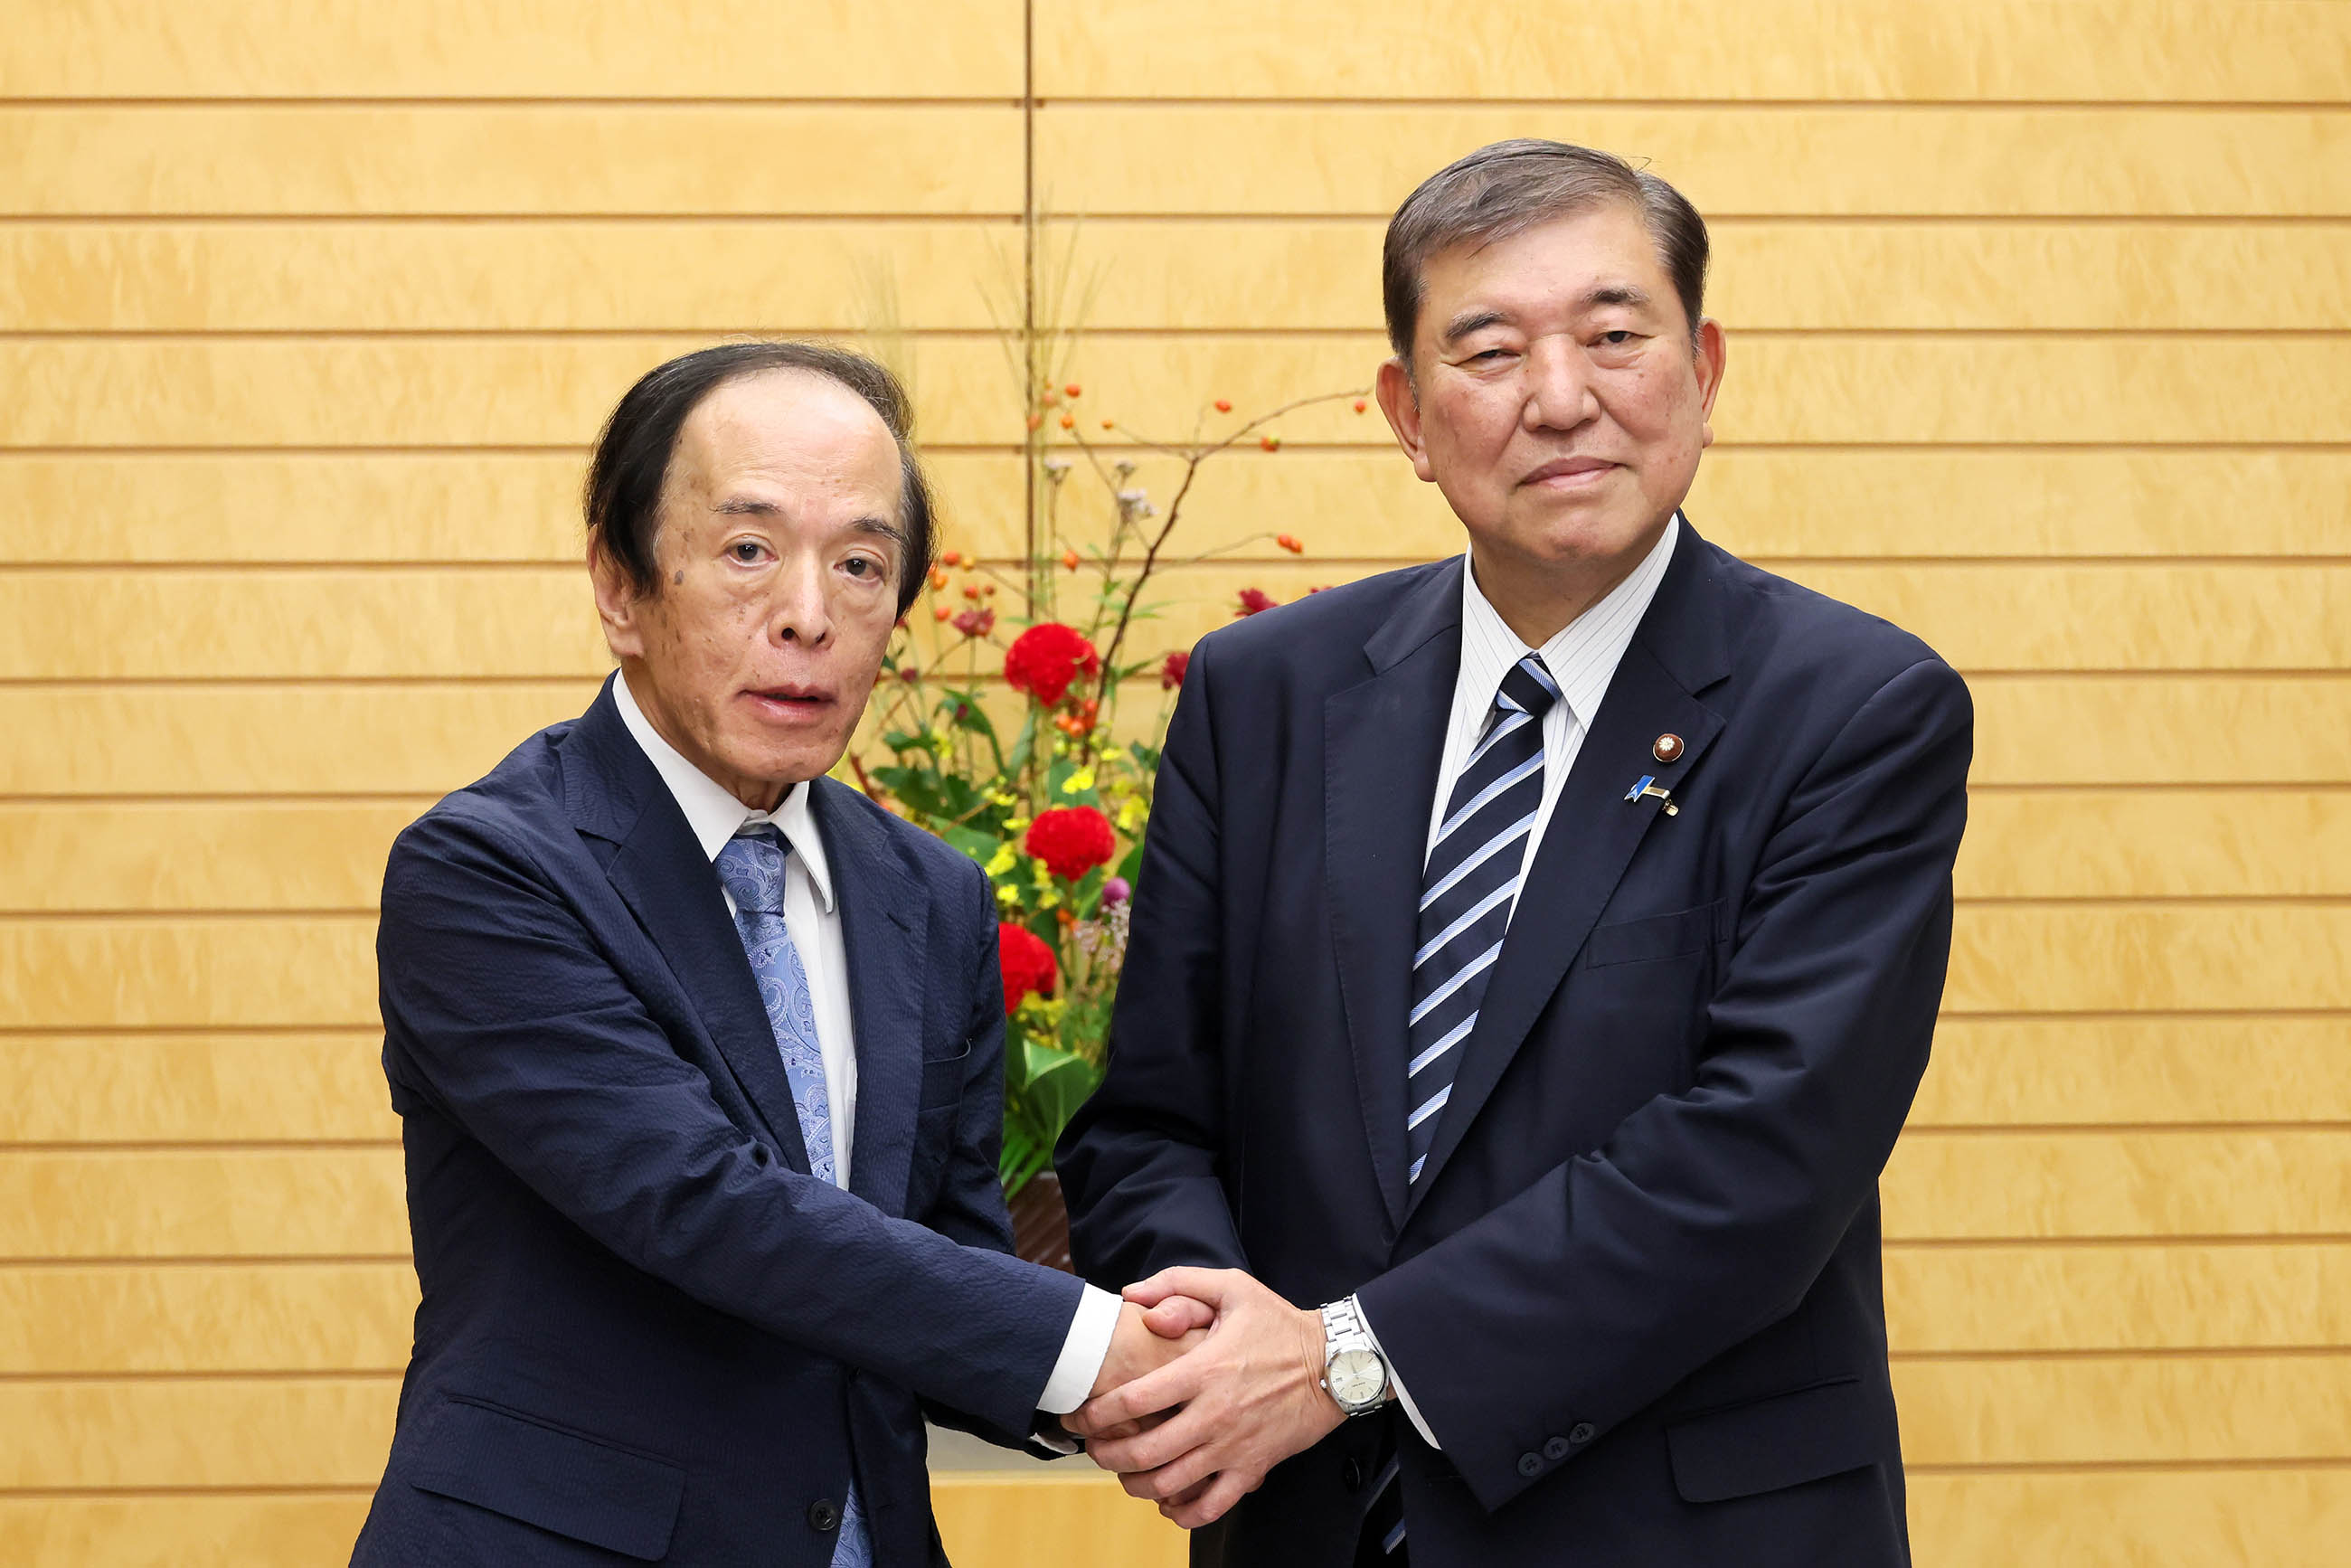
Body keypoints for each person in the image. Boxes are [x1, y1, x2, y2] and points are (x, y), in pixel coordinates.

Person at [1056, 140, 1973, 1566]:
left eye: (1615, 336)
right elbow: (1152, 1121)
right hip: (1308, 1531)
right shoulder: (1266, 693)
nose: (1562, 398)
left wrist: (1337, 1359)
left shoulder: (1852, 711)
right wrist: (1210, 1347)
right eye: (1489, 351)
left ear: (1704, 366)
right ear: (1409, 416)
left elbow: (1757, 1163)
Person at [351, 342, 1197, 1568]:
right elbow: (708, 1206)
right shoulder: (490, 869)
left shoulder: (931, 893)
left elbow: (948, 1256)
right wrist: (1100, 1341)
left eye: (859, 563)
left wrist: (1174, 1380)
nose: (808, 612)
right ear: (618, 584)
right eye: (749, 550)